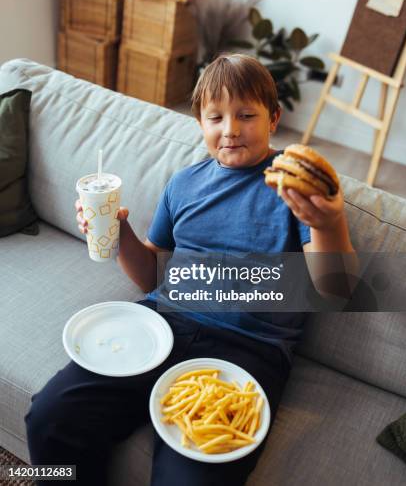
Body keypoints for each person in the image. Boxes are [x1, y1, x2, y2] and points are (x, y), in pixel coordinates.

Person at [25, 54, 355, 486]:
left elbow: (334, 293)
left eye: (246, 115)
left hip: (246, 350)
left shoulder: (292, 189)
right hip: (160, 326)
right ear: (199, 121)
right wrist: (119, 229)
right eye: (215, 117)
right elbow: (153, 277)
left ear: (274, 119)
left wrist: (328, 223)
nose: (230, 129)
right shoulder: (183, 184)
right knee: (48, 417)